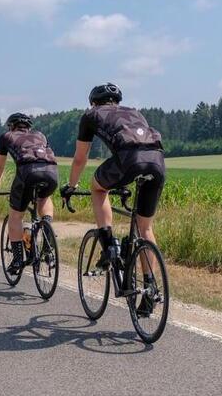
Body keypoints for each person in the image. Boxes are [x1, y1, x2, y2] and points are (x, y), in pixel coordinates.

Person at [60, 83, 165, 310]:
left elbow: (80, 158)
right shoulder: (134, 112)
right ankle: (150, 288)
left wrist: (71, 185)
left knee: (98, 188)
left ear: (94, 102)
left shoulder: (91, 115)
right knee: (145, 228)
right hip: (157, 162)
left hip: (128, 161)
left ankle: (109, 244)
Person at [0, 113, 58, 274]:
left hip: (28, 172)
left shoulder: (6, 136)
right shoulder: (40, 135)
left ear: (11, 126)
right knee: (44, 197)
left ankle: (17, 260)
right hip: (51, 172)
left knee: (15, 216)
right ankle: (47, 226)